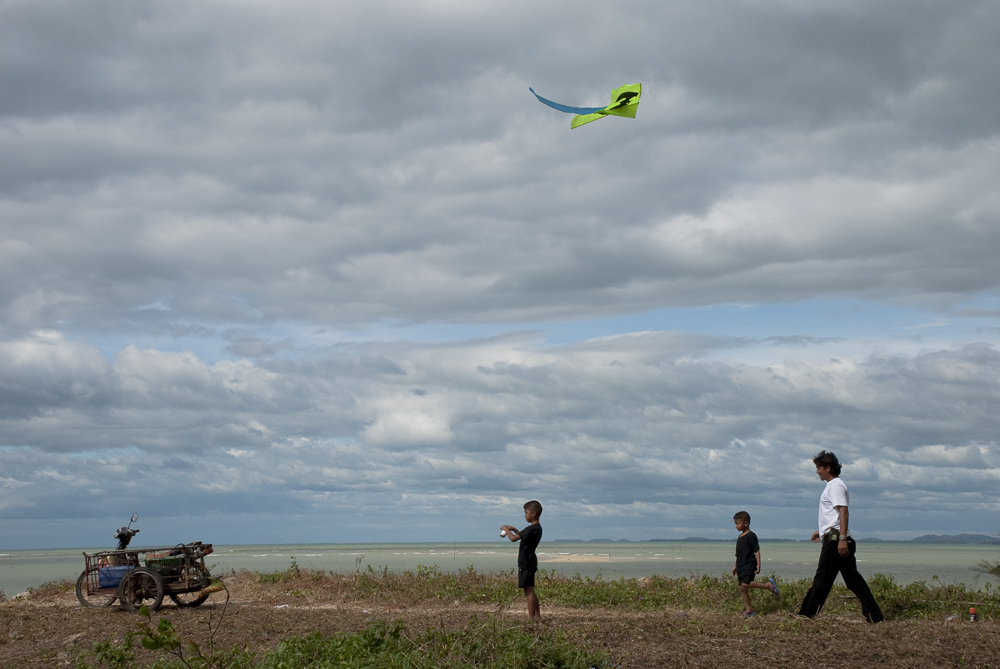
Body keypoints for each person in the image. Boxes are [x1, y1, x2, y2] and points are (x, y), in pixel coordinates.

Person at [798, 450, 884, 622]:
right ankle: (874, 615)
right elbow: (834, 516)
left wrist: (842, 539)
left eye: (819, 468)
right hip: (835, 536)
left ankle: (806, 615)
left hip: (836, 540)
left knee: (822, 578)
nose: (817, 471)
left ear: (828, 467)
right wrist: (821, 530)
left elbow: (843, 513)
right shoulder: (833, 486)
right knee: (853, 580)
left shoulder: (836, 485)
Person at [501, 500, 543, 623]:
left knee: (528, 591)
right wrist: (514, 529)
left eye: (526, 513)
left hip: (526, 562)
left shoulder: (531, 529)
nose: (525, 515)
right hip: (531, 562)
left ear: (533, 513)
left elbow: (514, 539)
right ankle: (538, 619)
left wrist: (506, 529)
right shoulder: (536, 528)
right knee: (531, 590)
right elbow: (521, 536)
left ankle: (531, 620)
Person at [732, 511, 779, 616]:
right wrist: (735, 566)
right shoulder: (740, 538)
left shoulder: (751, 535)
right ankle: (749, 610)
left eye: (738, 523)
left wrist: (758, 564)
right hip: (741, 564)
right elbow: (738, 554)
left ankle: (768, 585)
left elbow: (756, 550)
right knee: (742, 588)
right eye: (735, 524)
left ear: (746, 523)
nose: (736, 526)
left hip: (749, 564)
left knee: (745, 583)